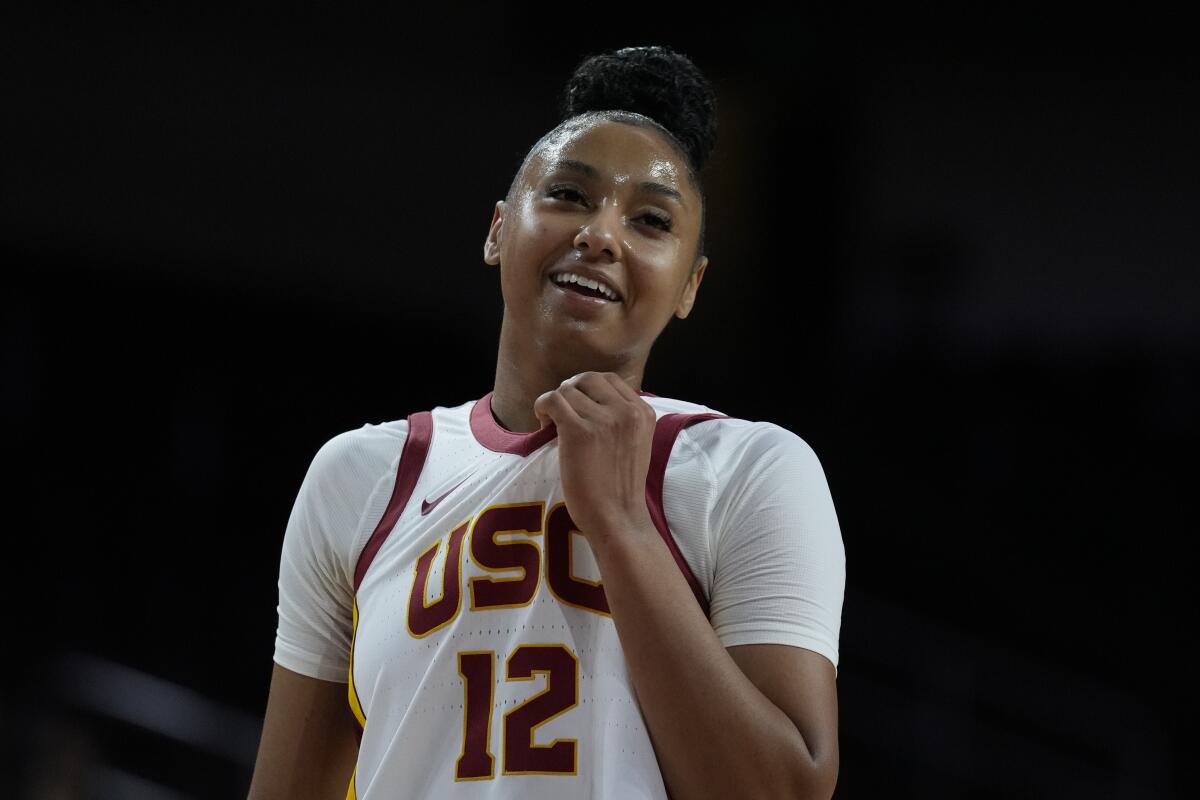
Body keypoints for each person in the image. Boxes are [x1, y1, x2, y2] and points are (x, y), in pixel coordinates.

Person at [248, 45, 845, 800]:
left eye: (651, 220)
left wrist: (623, 525)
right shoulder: (361, 476)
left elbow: (784, 791)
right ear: (499, 230)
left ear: (690, 286)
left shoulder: (753, 469)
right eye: (568, 194)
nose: (601, 235)